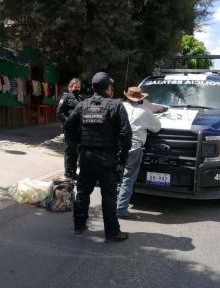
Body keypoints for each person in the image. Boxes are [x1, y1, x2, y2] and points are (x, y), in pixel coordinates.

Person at [65, 72, 132, 242]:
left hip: (86, 158)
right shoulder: (116, 105)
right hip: (107, 159)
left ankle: (79, 226)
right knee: (109, 197)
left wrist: (73, 157)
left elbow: (69, 128)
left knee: (83, 192)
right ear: (108, 88)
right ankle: (112, 233)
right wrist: (124, 157)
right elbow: (126, 134)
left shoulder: (82, 105)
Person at [116, 87, 162, 219]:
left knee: (116, 177)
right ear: (141, 98)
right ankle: (121, 209)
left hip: (117, 147)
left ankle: (111, 206)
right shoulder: (145, 112)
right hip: (134, 148)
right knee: (128, 179)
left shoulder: (120, 107)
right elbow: (157, 127)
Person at [57, 78, 83, 179]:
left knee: (76, 152)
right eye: (75, 87)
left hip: (78, 130)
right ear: (70, 87)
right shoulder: (66, 97)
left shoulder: (80, 98)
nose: (77, 88)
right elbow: (59, 112)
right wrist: (67, 121)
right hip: (69, 129)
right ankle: (68, 172)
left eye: (78, 87)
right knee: (70, 151)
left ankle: (73, 172)